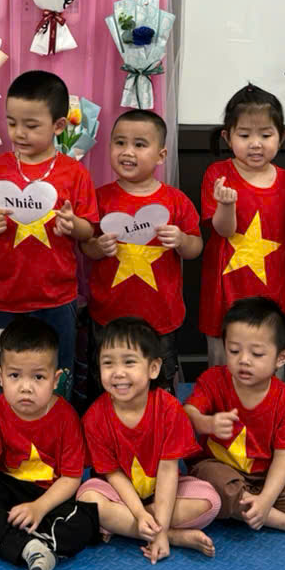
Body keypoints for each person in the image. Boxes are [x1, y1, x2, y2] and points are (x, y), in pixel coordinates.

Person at [0, 70, 98, 398]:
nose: (19, 133)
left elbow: (88, 229)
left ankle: (58, 422)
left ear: (58, 125)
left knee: (58, 370)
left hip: (57, 297)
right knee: (0, 369)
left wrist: (73, 225)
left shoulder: (74, 173)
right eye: (12, 123)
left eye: (31, 125)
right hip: (5, 295)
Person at [0, 316, 99, 570]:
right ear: (0, 376)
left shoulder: (66, 416)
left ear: (55, 379)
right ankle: (34, 550)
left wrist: (39, 507)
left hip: (49, 497)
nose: (26, 387)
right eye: (15, 376)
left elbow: (71, 479)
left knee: (85, 523)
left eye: (38, 377)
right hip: (6, 489)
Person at [183, 296, 285, 542]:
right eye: (234, 350)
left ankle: (251, 505)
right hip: (219, 468)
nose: (244, 360)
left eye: (257, 353)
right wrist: (207, 423)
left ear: (281, 358)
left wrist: (267, 498)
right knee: (213, 484)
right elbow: (188, 412)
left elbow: (284, 456)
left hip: (265, 475)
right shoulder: (213, 380)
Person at [77, 317, 220, 563]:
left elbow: (168, 471)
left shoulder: (170, 409)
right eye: (108, 363)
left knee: (210, 501)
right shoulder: (94, 417)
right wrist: (148, 521)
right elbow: (113, 474)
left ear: (153, 368)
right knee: (87, 499)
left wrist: (153, 520)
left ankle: (126, 526)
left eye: (129, 362)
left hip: (163, 494)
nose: (118, 373)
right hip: (117, 494)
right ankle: (172, 536)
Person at [81, 109, 200, 396]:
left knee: (159, 385)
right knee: (105, 383)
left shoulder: (175, 200)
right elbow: (86, 246)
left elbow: (195, 248)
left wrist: (181, 239)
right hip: (108, 315)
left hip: (160, 316)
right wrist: (98, 247)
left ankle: (159, 422)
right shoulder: (99, 197)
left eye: (139, 144)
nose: (127, 151)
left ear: (161, 155)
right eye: (119, 142)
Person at [199, 84, 285, 367]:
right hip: (225, 295)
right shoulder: (218, 174)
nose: (255, 144)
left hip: (272, 295)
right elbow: (223, 230)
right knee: (223, 366)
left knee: (267, 364)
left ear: (281, 137)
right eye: (244, 135)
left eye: (265, 135)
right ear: (227, 137)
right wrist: (226, 204)